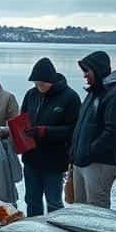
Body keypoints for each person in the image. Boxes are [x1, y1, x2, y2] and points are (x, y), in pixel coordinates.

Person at [19, 58, 81, 216]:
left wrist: (45, 131)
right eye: (36, 83)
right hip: (31, 158)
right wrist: (14, 134)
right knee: (32, 200)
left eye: (42, 83)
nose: (39, 86)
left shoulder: (70, 97)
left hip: (54, 161)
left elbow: (74, 130)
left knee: (54, 202)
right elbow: (22, 120)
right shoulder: (31, 95)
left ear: (51, 80)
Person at [69, 50, 116, 208]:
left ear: (98, 70)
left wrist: (90, 151)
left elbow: (113, 131)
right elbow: (81, 126)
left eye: (86, 71)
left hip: (100, 163)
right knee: (78, 209)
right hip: (82, 162)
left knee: (96, 212)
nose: (84, 75)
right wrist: (74, 153)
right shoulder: (94, 93)